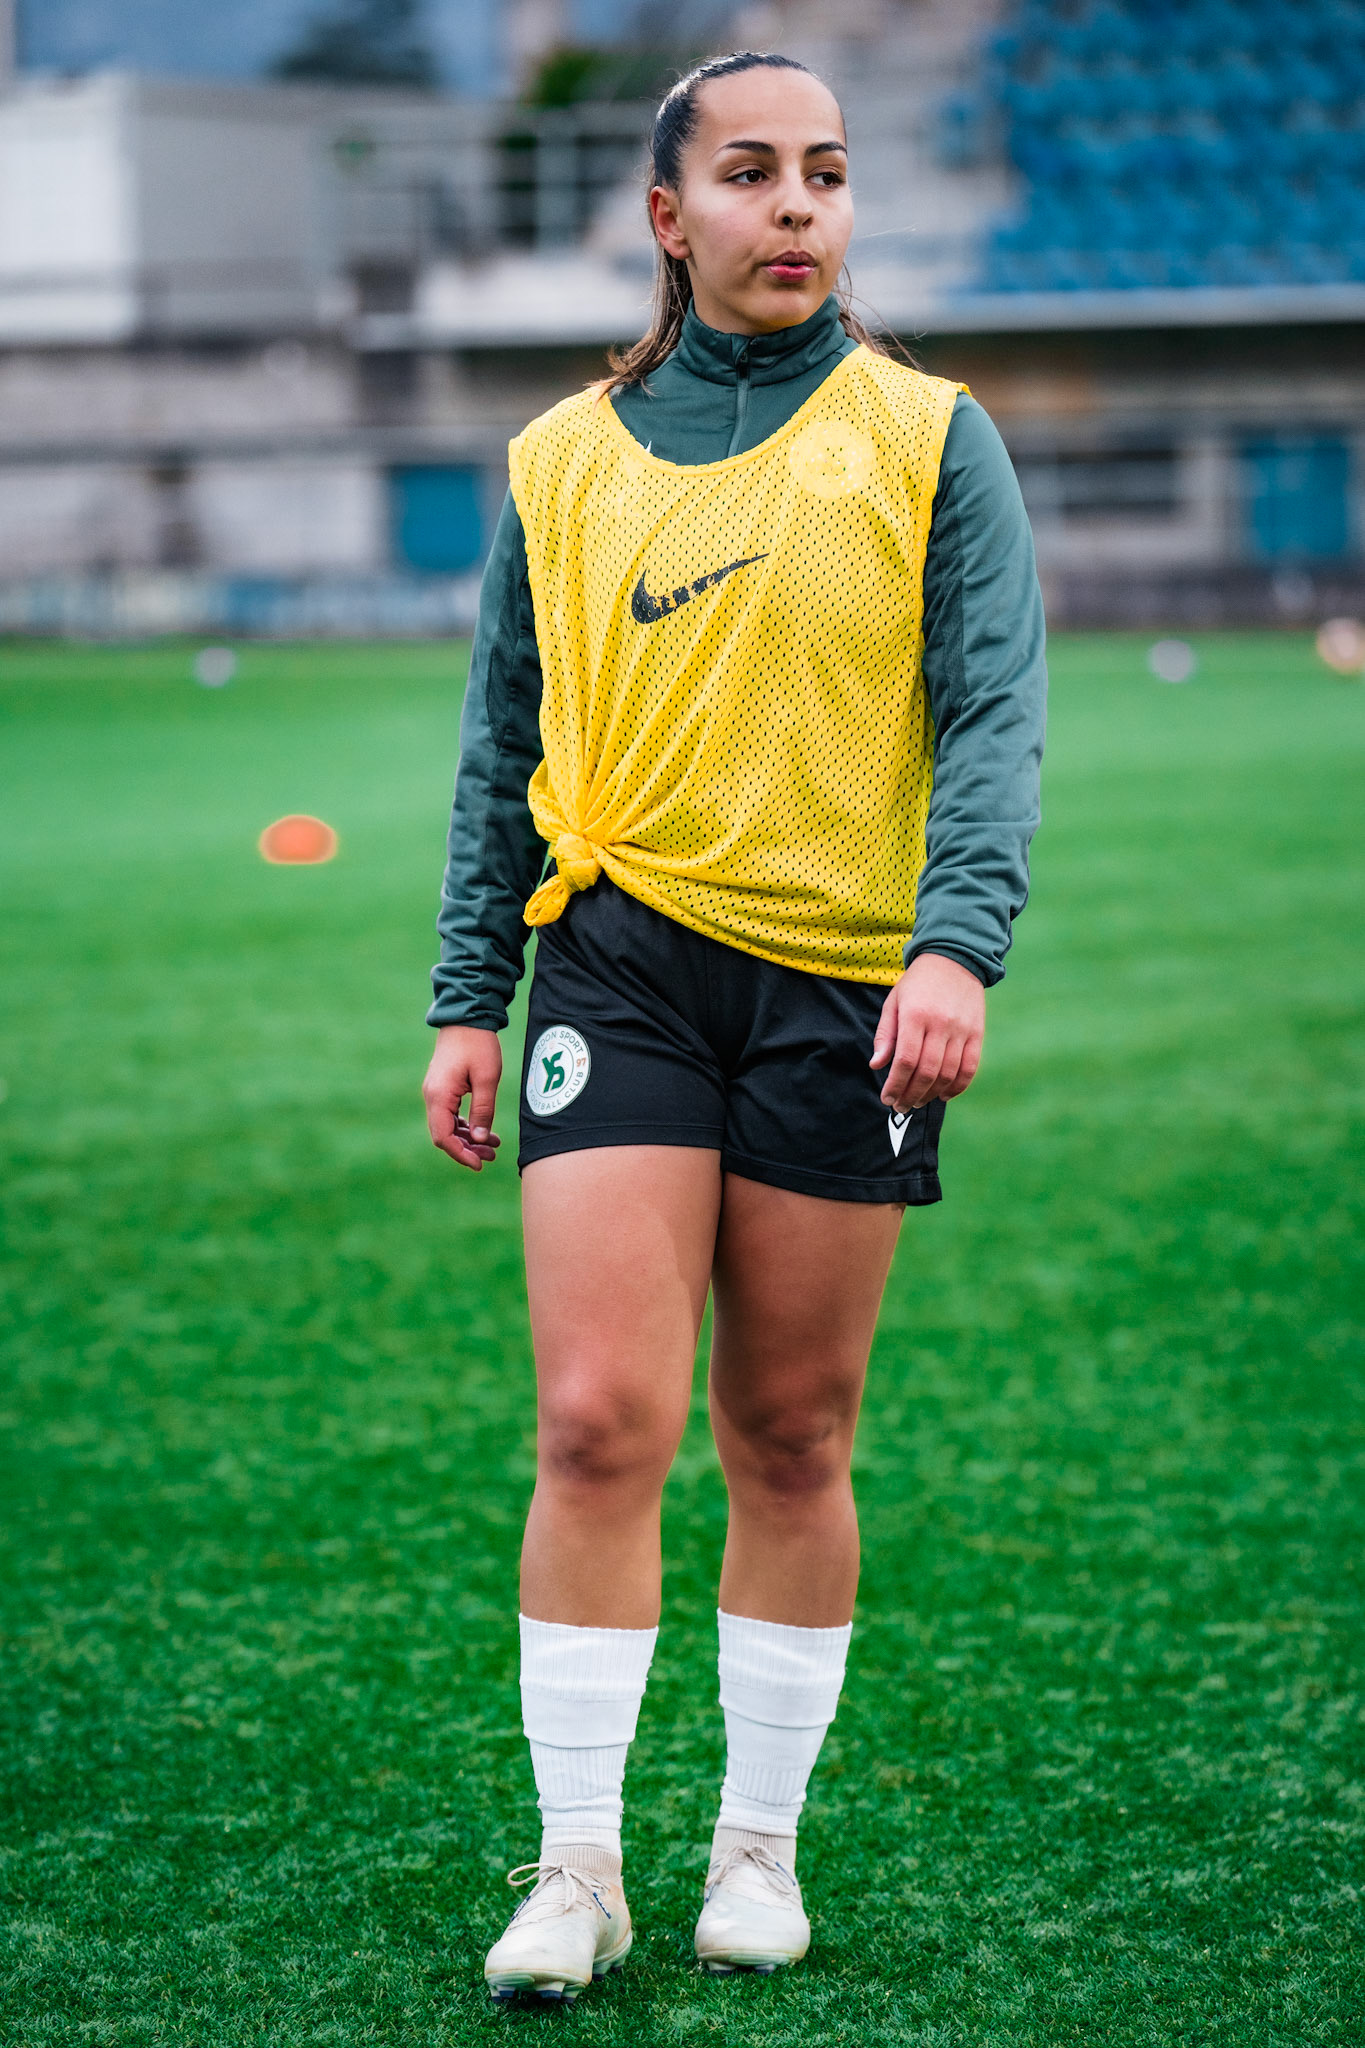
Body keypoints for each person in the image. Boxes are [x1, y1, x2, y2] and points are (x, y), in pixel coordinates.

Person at [423, 48, 1046, 2004]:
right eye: (753, 174)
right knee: (600, 1419)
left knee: (787, 1426)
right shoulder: (558, 460)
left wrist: (952, 948)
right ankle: (579, 1868)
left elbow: (996, 718)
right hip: (611, 968)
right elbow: (496, 752)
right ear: (666, 215)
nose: (797, 208)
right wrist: (467, 991)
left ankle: (752, 1847)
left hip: (843, 993)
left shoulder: (931, 439)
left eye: (829, 173)